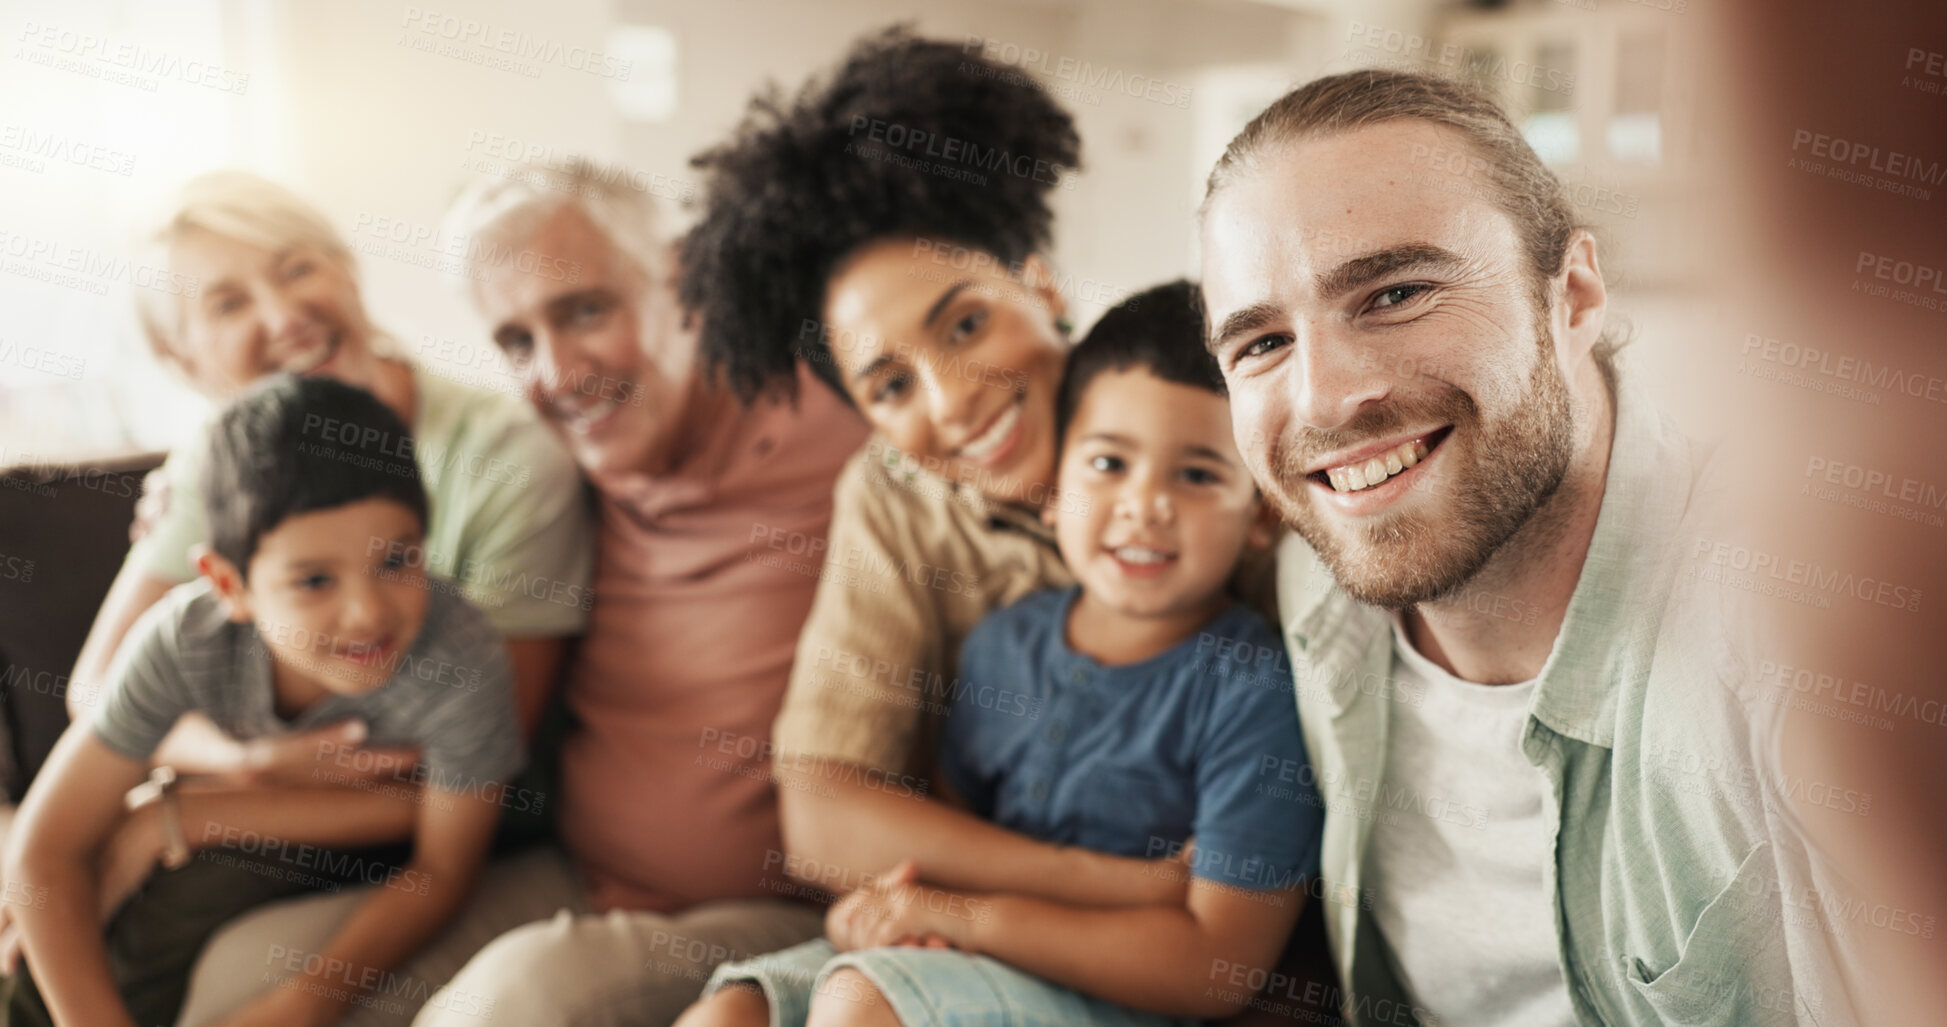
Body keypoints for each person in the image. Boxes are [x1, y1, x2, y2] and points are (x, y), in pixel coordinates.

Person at [176, 157, 870, 1027]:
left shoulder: (849, 429)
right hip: (577, 877)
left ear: (683, 281)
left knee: (508, 1006)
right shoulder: (577, 467)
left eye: (585, 310)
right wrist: (185, 470)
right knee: (240, 975)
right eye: (515, 341)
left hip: (772, 914)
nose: (557, 371)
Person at [1198, 69, 1812, 1025]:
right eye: (1261, 345)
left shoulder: (1788, 634)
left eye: (1395, 292)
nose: (1322, 398)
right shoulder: (1306, 585)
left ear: (1570, 294)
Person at [679, 24, 1288, 933]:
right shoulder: (893, 494)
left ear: (1040, 288)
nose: (954, 399)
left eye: (965, 326)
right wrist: (1117, 885)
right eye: (890, 385)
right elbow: (823, 819)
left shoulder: (1206, 412)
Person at [679, 281, 1321, 1027]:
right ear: (1054, 490)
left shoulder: (1252, 690)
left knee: (859, 1001)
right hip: (958, 959)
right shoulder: (1003, 646)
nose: (1144, 504)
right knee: (728, 1011)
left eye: (1198, 474)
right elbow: (947, 847)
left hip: (1107, 990)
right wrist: (899, 913)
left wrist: (960, 920)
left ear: (1261, 514)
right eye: (1109, 464)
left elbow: (1213, 967)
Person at [2, 375, 521, 1027]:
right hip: (249, 816)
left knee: (187, 889)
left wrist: (299, 1003)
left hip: (396, 839)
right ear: (229, 583)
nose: (366, 614)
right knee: (51, 927)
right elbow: (44, 847)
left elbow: (444, 866)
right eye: (313, 580)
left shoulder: (460, 655)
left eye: (396, 560)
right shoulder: (181, 640)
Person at [67, 169, 591, 767]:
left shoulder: (510, 459)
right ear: (180, 359)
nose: (285, 316)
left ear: (348, 272)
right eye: (229, 304)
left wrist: (182, 819)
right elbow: (95, 689)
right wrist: (239, 766)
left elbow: (487, 749)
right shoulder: (213, 459)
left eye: (297, 269)